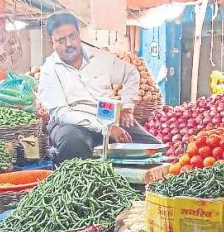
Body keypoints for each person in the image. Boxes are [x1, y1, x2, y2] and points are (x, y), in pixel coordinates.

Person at [38, 12, 160, 164]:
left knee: (154, 149)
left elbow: (131, 74)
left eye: (72, 36)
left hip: (108, 117)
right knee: (73, 142)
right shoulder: (49, 71)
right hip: (71, 124)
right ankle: (81, 184)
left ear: (79, 34)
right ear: (52, 42)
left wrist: (127, 108)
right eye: (61, 40)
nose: (69, 43)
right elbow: (63, 113)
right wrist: (105, 128)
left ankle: (134, 184)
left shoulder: (101, 58)